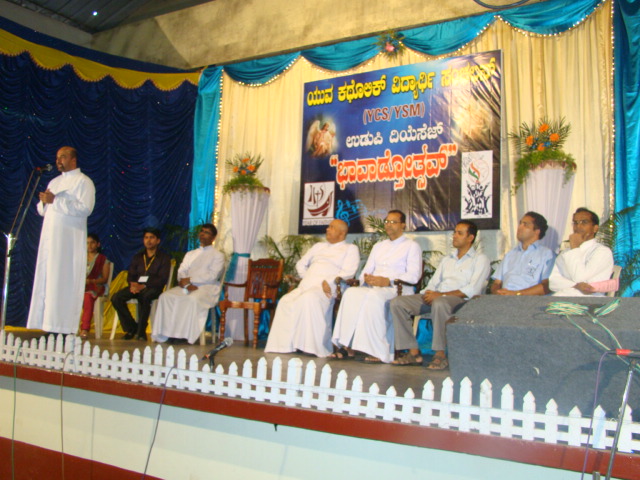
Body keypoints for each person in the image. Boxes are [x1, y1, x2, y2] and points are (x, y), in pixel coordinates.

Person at [390, 220, 490, 370]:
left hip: (462, 301)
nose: (454, 236)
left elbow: (472, 289)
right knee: (398, 303)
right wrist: (428, 293)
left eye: (460, 233)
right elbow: (434, 282)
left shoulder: (480, 259)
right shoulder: (447, 259)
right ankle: (413, 352)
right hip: (438, 297)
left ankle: (440, 354)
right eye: (454, 232)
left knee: (440, 302)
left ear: (470, 238)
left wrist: (441, 295)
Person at [331, 210, 422, 363]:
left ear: (403, 225)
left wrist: (387, 281)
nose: (388, 225)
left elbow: (414, 276)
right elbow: (366, 270)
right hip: (374, 287)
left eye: (393, 222)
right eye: (387, 221)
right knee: (351, 293)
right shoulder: (379, 246)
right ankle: (347, 345)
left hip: (397, 289)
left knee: (374, 297)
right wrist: (367, 279)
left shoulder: (412, 246)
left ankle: (378, 350)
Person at [265, 219, 359, 357]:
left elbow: (348, 272)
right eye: (328, 227)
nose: (327, 229)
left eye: (332, 227)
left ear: (342, 233)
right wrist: (307, 277)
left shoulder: (350, 249)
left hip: (328, 289)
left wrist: (329, 281)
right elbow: (300, 264)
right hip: (306, 285)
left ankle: (312, 346)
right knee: (285, 301)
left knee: (309, 298)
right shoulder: (318, 246)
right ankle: (284, 345)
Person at [27, 146, 96, 335]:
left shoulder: (84, 182)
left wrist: (55, 201)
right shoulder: (54, 181)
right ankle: (48, 326)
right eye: (57, 157)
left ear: (73, 160)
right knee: (49, 282)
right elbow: (43, 211)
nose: (58, 161)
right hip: (50, 240)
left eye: (63, 157)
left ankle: (63, 329)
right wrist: (44, 201)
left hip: (68, 243)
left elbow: (85, 209)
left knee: (63, 282)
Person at [152, 224, 225, 344]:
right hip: (186, 286)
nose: (202, 234)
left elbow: (212, 276)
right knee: (165, 297)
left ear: (213, 237)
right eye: (202, 231)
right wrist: (185, 283)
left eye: (207, 232)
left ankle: (184, 335)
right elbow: (182, 270)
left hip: (207, 287)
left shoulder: (218, 255)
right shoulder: (190, 254)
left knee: (192, 299)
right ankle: (168, 333)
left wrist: (190, 280)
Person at [111, 228, 171, 340]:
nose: (149, 240)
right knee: (116, 298)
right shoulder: (138, 257)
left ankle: (141, 331)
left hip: (153, 288)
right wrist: (133, 285)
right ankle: (132, 328)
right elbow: (131, 275)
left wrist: (143, 286)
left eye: (152, 238)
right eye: (146, 238)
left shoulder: (164, 258)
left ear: (158, 240)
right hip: (136, 287)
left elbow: (162, 279)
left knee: (145, 296)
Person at [549, 207, 614, 296]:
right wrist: (575, 285)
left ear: (595, 228)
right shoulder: (566, 252)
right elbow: (553, 283)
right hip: (563, 298)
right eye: (575, 223)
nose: (578, 226)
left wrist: (575, 248)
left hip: (589, 300)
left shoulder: (602, 252)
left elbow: (580, 278)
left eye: (584, 222)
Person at [490, 212, 555, 296]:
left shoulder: (547, 254)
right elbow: (497, 282)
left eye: (525, 224)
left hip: (529, 300)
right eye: (520, 223)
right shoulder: (510, 255)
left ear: (537, 231)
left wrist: (517, 294)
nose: (520, 227)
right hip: (504, 299)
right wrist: (497, 292)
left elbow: (547, 286)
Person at [79, 233, 111, 339]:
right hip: (81, 286)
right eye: (87, 243)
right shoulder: (81, 258)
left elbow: (104, 278)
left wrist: (91, 281)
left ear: (98, 244)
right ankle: (66, 327)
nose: (89, 245)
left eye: (92, 243)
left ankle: (85, 328)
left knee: (88, 297)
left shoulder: (103, 259)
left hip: (96, 287)